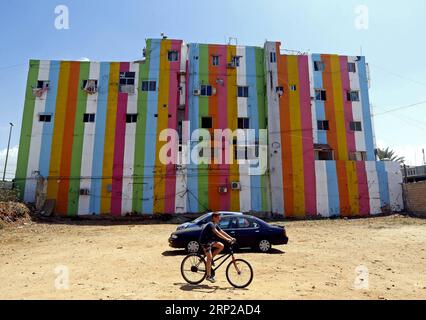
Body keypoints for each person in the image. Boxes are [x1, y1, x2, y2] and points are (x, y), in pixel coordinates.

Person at [199, 212, 236, 283]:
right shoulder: (211, 224)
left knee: (221, 246)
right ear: (214, 217)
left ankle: (210, 260)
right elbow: (217, 233)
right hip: (205, 242)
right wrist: (227, 239)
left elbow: (221, 231)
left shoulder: (215, 224)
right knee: (209, 257)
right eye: (218, 217)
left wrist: (231, 238)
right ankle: (208, 276)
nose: (220, 218)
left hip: (210, 241)